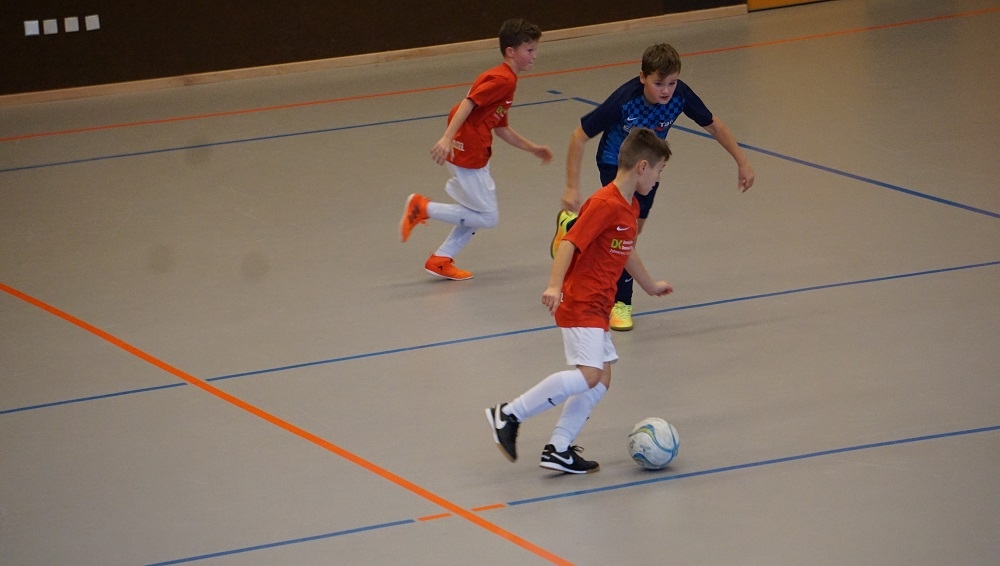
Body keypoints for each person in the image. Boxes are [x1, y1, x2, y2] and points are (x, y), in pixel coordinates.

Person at [486, 127, 673, 474]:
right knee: (589, 375)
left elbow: (627, 251)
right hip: (582, 300)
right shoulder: (604, 203)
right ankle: (509, 414)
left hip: (599, 305)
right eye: (659, 170)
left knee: (601, 379)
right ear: (643, 167)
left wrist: (649, 285)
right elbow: (570, 243)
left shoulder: (629, 206)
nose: (659, 178)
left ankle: (558, 448)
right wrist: (554, 286)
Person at [552, 43, 755, 329]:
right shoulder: (624, 101)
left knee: (631, 235)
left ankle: (573, 227)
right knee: (623, 235)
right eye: (658, 83)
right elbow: (578, 136)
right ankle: (622, 303)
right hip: (616, 164)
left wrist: (742, 161)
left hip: (649, 171)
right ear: (642, 77)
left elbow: (714, 125)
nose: (666, 90)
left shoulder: (680, 95)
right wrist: (572, 186)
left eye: (671, 83)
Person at [399, 18, 553, 280]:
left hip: (475, 150)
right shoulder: (503, 80)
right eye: (529, 50)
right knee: (488, 217)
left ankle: (440, 259)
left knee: (475, 212)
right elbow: (467, 103)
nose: (534, 55)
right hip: (468, 153)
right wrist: (447, 138)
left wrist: (533, 148)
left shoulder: (506, 80)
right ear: (511, 52)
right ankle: (422, 208)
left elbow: (501, 128)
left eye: (535, 49)